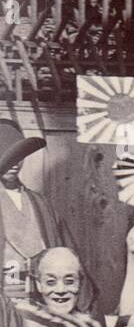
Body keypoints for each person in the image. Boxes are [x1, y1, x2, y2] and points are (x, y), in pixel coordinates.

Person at [0, 123, 89, 304]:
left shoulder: (41, 204)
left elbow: (66, 254)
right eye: (7, 156)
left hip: (43, 298)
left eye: (19, 156)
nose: (15, 164)